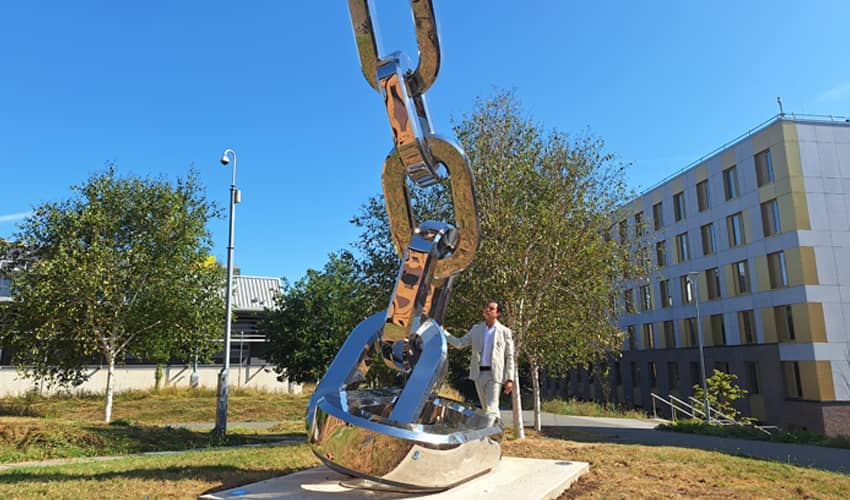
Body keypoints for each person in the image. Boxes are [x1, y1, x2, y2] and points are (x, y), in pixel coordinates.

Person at [445, 301, 515, 419]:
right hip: (478, 373)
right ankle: (494, 433)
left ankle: (491, 433)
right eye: (486, 307)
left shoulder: (504, 331)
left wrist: (509, 379)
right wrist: (444, 332)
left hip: (494, 375)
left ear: (497, 314)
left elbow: (509, 356)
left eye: (491, 308)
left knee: (492, 408)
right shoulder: (476, 329)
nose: (487, 310)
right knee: (486, 408)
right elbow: (460, 343)